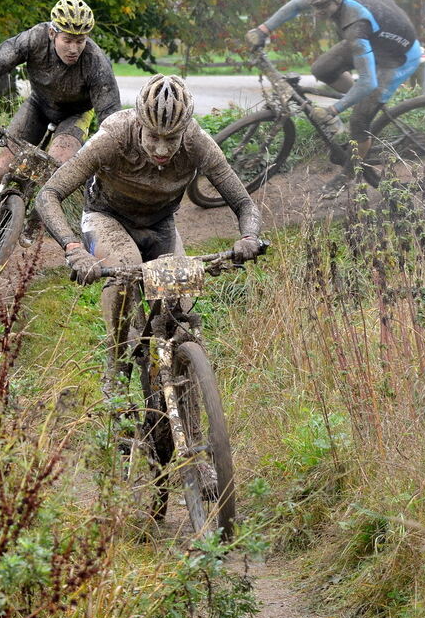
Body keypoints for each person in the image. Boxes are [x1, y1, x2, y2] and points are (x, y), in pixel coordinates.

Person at [35, 73, 262, 394]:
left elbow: (244, 203)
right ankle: (115, 364)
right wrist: (74, 249)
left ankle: (182, 389)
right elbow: (49, 194)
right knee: (125, 271)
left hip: (160, 225)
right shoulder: (113, 137)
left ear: (185, 129)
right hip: (105, 218)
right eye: (153, 136)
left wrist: (249, 237)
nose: (161, 148)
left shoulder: (198, 144)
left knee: (180, 309)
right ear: (140, 122)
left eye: (172, 138)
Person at [246, 0, 423, 194]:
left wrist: (334, 110)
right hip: (375, 41)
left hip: (397, 59)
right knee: (322, 69)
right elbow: (296, 5)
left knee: (358, 123)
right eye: (314, 5)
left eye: (322, 6)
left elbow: (368, 81)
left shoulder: (355, 23)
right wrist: (263, 30)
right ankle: (360, 103)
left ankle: (349, 174)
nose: (317, 11)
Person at [0, 0, 121, 229]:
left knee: (58, 166)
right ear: (52, 33)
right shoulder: (34, 39)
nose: (74, 49)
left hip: (76, 114)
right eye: (68, 40)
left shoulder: (95, 62)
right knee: (2, 167)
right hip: (38, 105)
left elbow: (111, 120)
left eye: (80, 41)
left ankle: (35, 224)